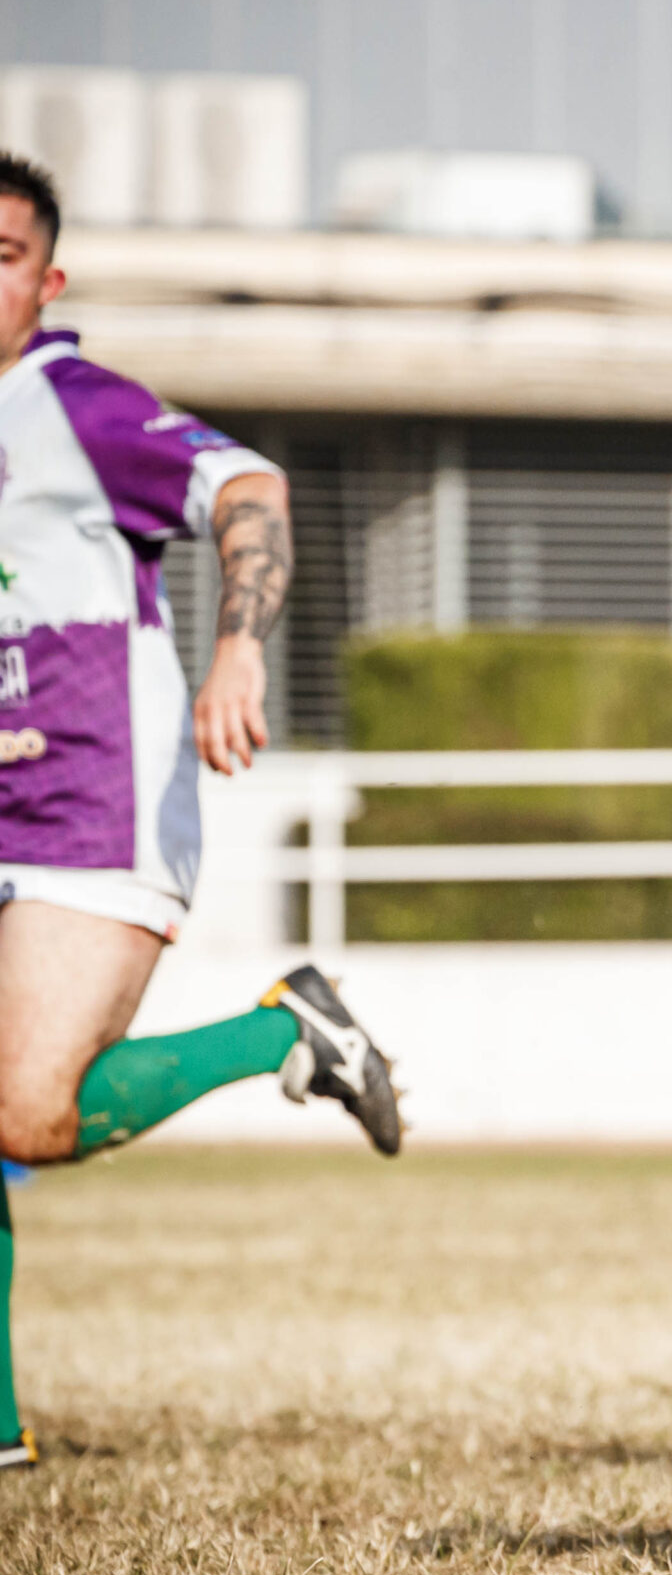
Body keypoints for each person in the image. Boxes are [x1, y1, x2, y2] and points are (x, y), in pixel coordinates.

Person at [0, 154, 400, 1474]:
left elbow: (250, 489)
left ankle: (279, 1026)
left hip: (90, 795)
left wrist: (240, 645)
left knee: (22, 1114)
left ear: (45, 283)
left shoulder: (71, 406)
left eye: (1, 254)